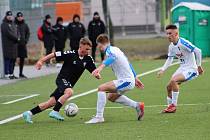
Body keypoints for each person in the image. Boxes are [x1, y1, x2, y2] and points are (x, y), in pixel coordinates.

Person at [22, 38, 100, 124]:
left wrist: (96, 74)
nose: (88, 51)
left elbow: (93, 70)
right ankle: (55, 111)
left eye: (89, 49)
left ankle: (28, 113)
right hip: (62, 79)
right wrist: (41, 61)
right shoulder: (70, 54)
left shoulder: (88, 59)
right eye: (86, 49)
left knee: (50, 103)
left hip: (68, 84)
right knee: (69, 92)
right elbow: (54, 54)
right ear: (81, 46)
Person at [85, 34, 145, 124]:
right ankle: (137, 105)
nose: (98, 47)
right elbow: (128, 63)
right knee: (111, 97)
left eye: (98, 45)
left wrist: (100, 68)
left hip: (126, 81)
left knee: (101, 88)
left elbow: (112, 58)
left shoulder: (110, 51)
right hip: (128, 80)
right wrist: (135, 77)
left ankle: (99, 117)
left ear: (101, 44)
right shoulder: (116, 49)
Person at [157, 24, 204, 113]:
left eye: (170, 33)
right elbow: (170, 59)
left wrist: (199, 66)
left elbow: (198, 51)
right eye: (167, 34)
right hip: (182, 68)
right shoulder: (171, 46)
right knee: (168, 87)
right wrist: (163, 69)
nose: (168, 36)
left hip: (191, 69)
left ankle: (173, 106)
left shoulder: (183, 42)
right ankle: (169, 107)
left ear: (176, 33)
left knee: (174, 80)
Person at [1, 11, 19, 79]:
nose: (10, 17)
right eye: (8, 16)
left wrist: (18, 37)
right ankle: (7, 74)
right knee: (7, 59)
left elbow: (17, 32)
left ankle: (11, 73)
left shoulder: (13, 23)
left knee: (13, 59)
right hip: (7, 45)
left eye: (11, 16)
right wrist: (17, 38)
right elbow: (8, 34)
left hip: (14, 45)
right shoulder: (4, 24)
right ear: (6, 16)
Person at [15, 12, 30, 78]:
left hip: (23, 44)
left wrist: (26, 40)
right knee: (13, 59)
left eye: (21, 16)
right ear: (17, 17)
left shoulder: (25, 25)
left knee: (22, 59)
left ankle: (21, 73)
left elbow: (28, 33)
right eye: (18, 17)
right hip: (15, 45)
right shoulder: (14, 24)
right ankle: (11, 73)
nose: (20, 18)